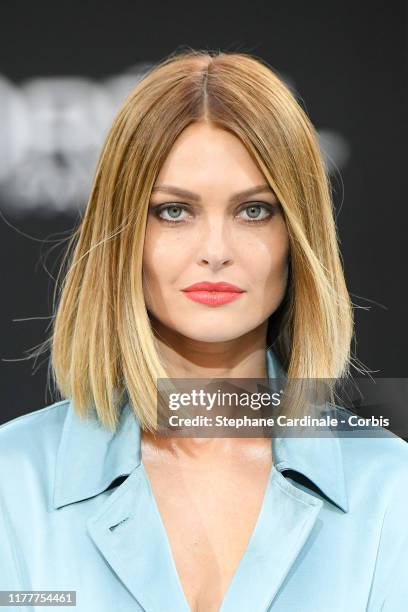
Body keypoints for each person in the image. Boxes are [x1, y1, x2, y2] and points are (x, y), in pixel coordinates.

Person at [0, 48, 407, 612]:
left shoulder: (388, 487)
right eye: (174, 212)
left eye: (254, 211)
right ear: (122, 237)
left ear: (299, 237)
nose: (215, 252)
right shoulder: (11, 480)